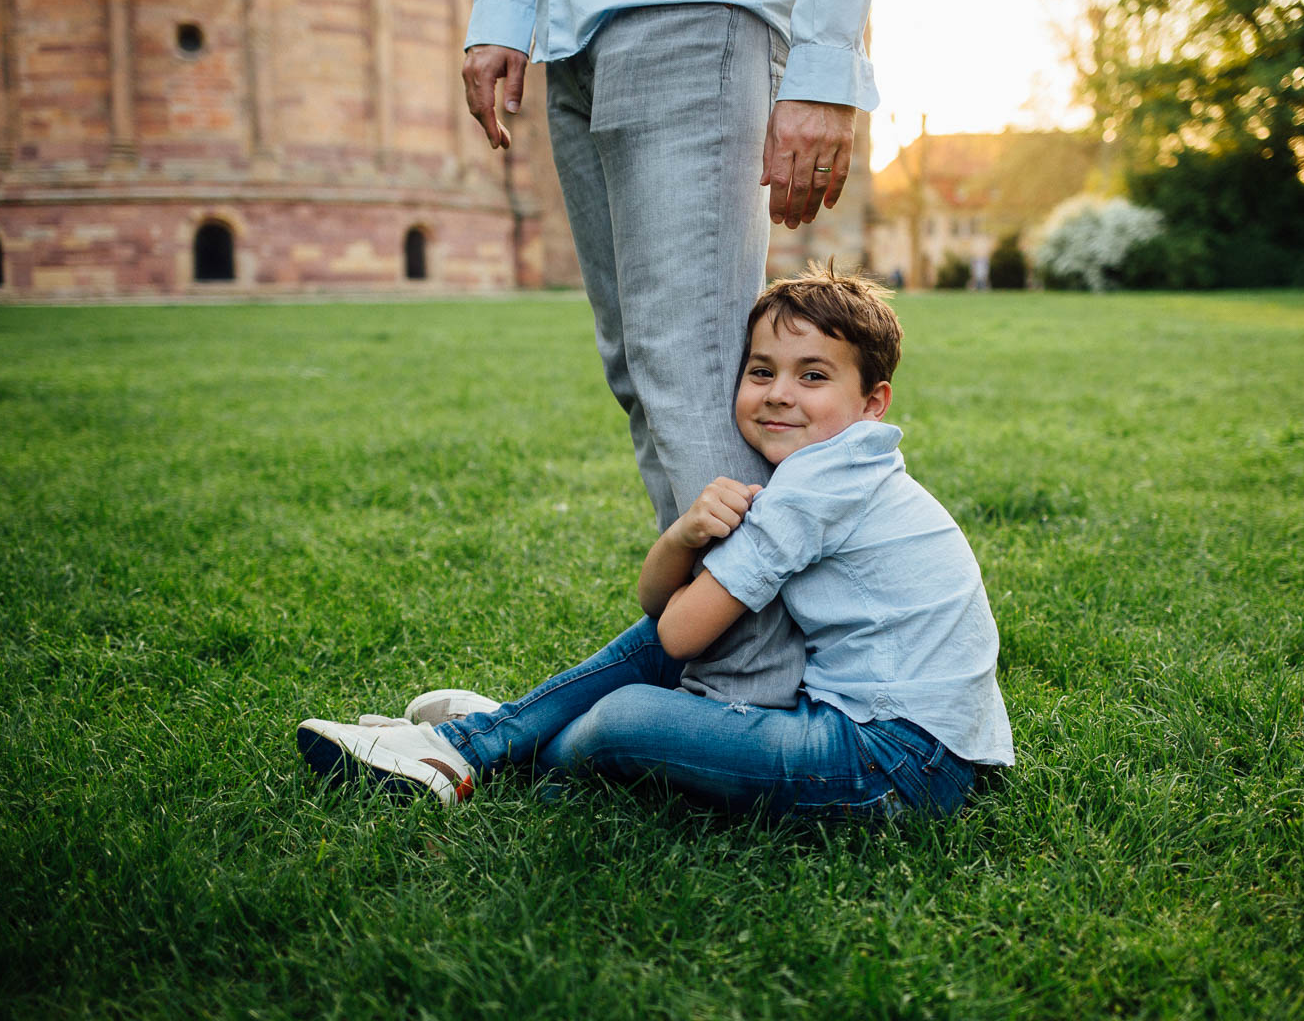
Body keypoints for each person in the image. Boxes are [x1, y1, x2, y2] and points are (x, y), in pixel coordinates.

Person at [297, 267, 1015, 818]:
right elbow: (660, 611)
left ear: (872, 402)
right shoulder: (857, 463)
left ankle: (484, 744)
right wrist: (684, 533)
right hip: (931, 752)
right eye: (761, 371)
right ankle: (480, 739)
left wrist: (693, 565)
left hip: (887, 764)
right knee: (649, 670)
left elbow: (675, 634)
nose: (778, 393)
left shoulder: (812, 487)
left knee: (624, 718)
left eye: (813, 376)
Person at [460, 0, 883, 709]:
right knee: (643, 371)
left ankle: (751, 692)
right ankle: (722, 662)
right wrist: (503, 7)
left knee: (691, 369)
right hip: (573, 28)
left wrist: (826, 68)